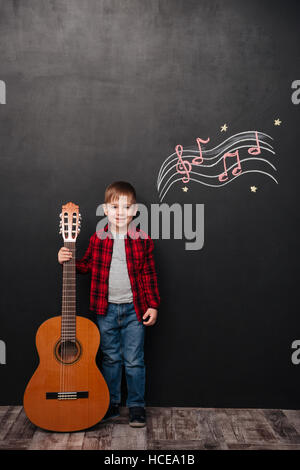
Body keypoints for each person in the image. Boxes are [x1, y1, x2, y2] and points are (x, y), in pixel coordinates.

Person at [57, 181, 160, 427]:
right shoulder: (98, 239)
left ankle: (136, 406)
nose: (120, 212)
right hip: (106, 310)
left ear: (135, 211)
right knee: (110, 357)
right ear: (105, 210)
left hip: (134, 310)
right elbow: (86, 266)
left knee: (134, 360)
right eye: (115, 207)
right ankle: (111, 403)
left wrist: (153, 305)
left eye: (126, 207)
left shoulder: (142, 240)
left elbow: (149, 275)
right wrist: (66, 259)